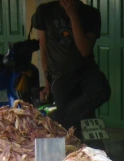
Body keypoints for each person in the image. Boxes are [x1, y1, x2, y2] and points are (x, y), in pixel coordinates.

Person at [34, 0, 111, 134]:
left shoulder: (91, 13)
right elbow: (44, 50)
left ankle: (58, 118)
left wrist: (73, 16)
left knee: (102, 89)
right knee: (77, 124)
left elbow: (85, 50)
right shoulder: (45, 11)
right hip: (60, 76)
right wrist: (47, 84)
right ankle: (77, 142)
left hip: (86, 72)